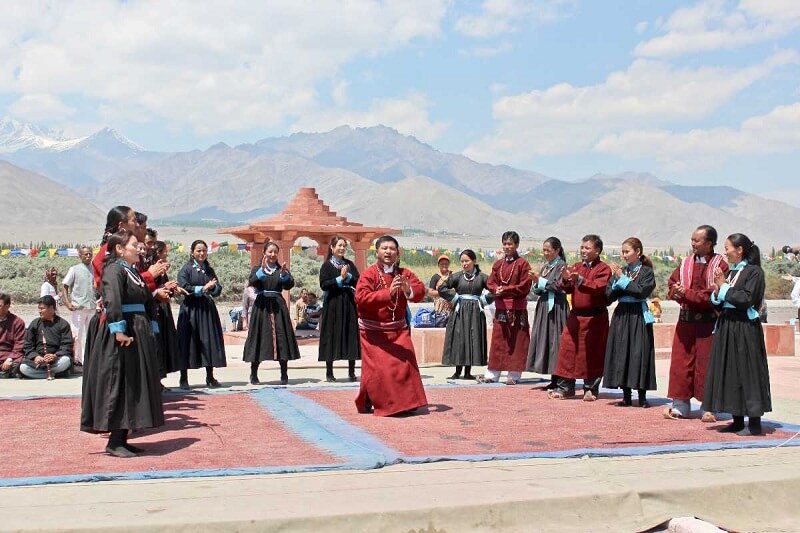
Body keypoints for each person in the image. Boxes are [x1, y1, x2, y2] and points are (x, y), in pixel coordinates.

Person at [80, 230, 164, 457]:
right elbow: (113, 299)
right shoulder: (114, 270)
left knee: (133, 383)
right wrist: (118, 330)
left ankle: (123, 438)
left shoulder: (132, 271)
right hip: (123, 333)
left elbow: (144, 299)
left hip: (137, 331)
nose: (139, 249)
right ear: (119, 249)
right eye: (134, 245)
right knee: (120, 382)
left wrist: (152, 325)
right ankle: (114, 441)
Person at [702, 234, 772, 436]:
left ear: (739, 250)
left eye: (727, 248)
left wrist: (723, 287)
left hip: (744, 329)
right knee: (730, 371)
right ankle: (737, 420)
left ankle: (755, 423)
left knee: (747, 371)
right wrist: (717, 291)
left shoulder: (754, 272)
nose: (725, 252)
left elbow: (747, 299)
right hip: (727, 326)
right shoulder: (731, 272)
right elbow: (719, 300)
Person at [355, 235, 427, 416]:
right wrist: (389, 293)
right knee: (383, 370)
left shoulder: (404, 274)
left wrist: (408, 289)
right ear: (377, 252)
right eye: (384, 248)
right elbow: (361, 298)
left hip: (399, 330)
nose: (388, 252)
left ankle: (409, 403)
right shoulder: (369, 274)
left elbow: (420, 290)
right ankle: (390, 405)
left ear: (398, 253)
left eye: (392, 248)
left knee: (406, 364)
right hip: (374, 333)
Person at [664, 225, 728, 421]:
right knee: (681, 365)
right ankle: (680, 407)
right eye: (692, 240)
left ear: (709, 243)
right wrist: (676, 291)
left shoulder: (720, 266)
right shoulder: (685, 263)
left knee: (706, 365)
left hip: (707, 325)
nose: (692, 243)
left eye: (697, 240)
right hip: (685, 323)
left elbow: (712, 295)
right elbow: (672, 283)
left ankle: (708, 407)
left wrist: (687, 294)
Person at [549, 234, 612, 401]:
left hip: (595, 318)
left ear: (597, 251)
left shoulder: (604, 269)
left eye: (587, 248)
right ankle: (565, 388)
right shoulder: (576, 266)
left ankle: (590, 389)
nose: (583, 250)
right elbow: (567, 288)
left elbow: (597, 287)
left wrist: (580, 280)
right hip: (575, 317)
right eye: (582, 247)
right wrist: (565, 279)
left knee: (592, 353)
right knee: (567, 351)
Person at [602, 237, 657, 408]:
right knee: (622, 352)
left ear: (638, 252)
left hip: (638, 315)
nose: (624, 255)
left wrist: (622, 280)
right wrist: (617, 283)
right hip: (622, 314)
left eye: (627, 251)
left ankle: (642, 396)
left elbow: (641, 292)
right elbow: (608, 296)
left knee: (639, 353)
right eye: (623, 252)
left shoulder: (646, 272)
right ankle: (626, 396)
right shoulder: (622, 271)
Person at [243, 242, 300, 385]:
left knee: (281, 337)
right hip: (262, 306)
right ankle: (254, 373)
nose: (272, 255)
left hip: (278, 306)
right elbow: (252, 281)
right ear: (264, 253)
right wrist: (261, 271)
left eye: (275, 252)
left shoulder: (281, 270)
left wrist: (284, 276)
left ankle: (284, 373)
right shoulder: (257, 269)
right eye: (270, 252)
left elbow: (289, 285)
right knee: (259, 337)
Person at [480, 231, 532, 385]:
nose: (507, 247)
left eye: (510, 244)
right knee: (498, 341)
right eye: (505, 244)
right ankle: (493, 373)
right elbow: (490, 282)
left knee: (517, 340)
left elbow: (525, 286)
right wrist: (495, 289)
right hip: (501, 309)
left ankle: (514, 374)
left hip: (517, 310)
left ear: (517, 245)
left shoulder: (523, 264)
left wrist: (506, 290)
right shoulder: (498, 265)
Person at [176, 240, 227, 389]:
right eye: (198, 250)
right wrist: (203, 288)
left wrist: (213, 288)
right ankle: (183, 378)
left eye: (204, 250)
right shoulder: (186, 269)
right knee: (187, 341)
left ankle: (210, 377)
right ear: (192, 252)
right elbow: (184, 287)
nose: (201, 253)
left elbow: (217, 288)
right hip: (190, 310)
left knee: (207, 340)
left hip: (206, 310)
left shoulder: (209, 270)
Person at [438, 249, 492, 380]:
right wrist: (455, 297)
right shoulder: (457, 276)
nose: (464, 264)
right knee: (459, 339)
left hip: (475, 312)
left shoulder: (482, 277)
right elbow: (442, 288)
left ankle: (468, 372)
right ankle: (457, 372)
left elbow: (496, 289)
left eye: (466, 261)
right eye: (462, 261)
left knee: (472, 338)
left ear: (474, 261)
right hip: (460, 311)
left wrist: (483, 300)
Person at [526, 237, 569, 390]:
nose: (545, 253)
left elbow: (558, 286)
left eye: (548, 250)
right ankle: (553, 378)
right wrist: (535, 282)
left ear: (557, 250)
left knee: (556, 341)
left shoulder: (562, 265)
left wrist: (540, 280)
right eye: (543, 250)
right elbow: (540, 288)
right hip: (544, 305)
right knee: (546, 339)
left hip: (556, 307)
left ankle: (560, 379)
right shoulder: (546, 266)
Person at [318, 236, 360, 382]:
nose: (342, 248)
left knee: (350, 333)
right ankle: (329, 372)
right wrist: (339, 279)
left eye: (344, 246)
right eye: (339, 245)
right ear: (332, 247)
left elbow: (358, 281)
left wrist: (348, 276)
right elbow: (324, 284)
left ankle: (351, 371)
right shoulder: (326, 266)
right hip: (333, 304)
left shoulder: (349, 264)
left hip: (348, 303)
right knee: (331, 334)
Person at [151, 241, 184, 383]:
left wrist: (172, 289)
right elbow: (151, 287)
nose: (166, 254)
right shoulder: (152, 268)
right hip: (156, 309)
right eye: (165, 252)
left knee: (163, 343)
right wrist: (164, 287)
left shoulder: (162, 269)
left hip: (163, 309)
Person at [19, 296, 73, 379]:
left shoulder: (63, 324)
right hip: (39, 360)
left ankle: (44, 373)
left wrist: (55, 356)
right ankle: (55, 374)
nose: (40, 311)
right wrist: (35, 356)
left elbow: (67, 345)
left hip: (56, 359)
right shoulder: (35, 323)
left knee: (65, 361)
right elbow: (28, 345)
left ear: (51, 308)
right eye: (39, 309)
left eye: (42, 309)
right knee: (24, 368)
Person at [61, 246, 95, 365]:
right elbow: (65, 286)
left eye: (90, 254)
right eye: (85, 254)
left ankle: (90, 358)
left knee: (91, 334)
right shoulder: (74, 269)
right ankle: (77, 359)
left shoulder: (95, 269)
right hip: (78, 307)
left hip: (92, 307)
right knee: (77, 335)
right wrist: (67, 302)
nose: (88, 256)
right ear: (80, 256)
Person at [0, 293, 26, 379]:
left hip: (10, 354)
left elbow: (19, 344)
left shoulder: (17, 322)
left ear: (7, 306)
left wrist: (10, 358)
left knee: (21, 364)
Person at [428, 255, 454, 321]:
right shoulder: (435, 277)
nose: (444, 265)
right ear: (438, 265)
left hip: (451, 305)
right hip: (440, 307)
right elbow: (430, 292)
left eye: (446, 264)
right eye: (442, 264)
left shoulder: (452, 276)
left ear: (449, 264)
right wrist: (444, 292)